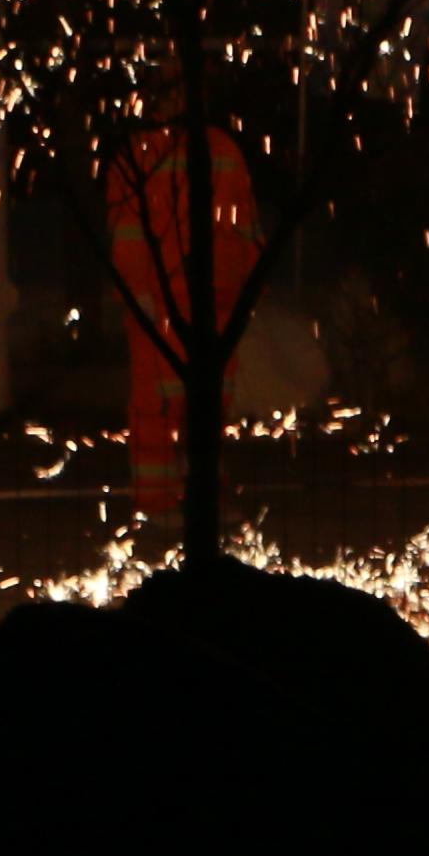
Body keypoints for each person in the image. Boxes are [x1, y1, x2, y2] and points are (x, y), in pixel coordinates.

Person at [107, 38, 265, 522]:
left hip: (190, 302)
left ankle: (184, 499)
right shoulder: (212, 151)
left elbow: (244, 228)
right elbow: (246, 232)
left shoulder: (141, 155)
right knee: (179, 408)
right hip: (184, 302)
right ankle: (170, 500)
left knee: (185, 408)